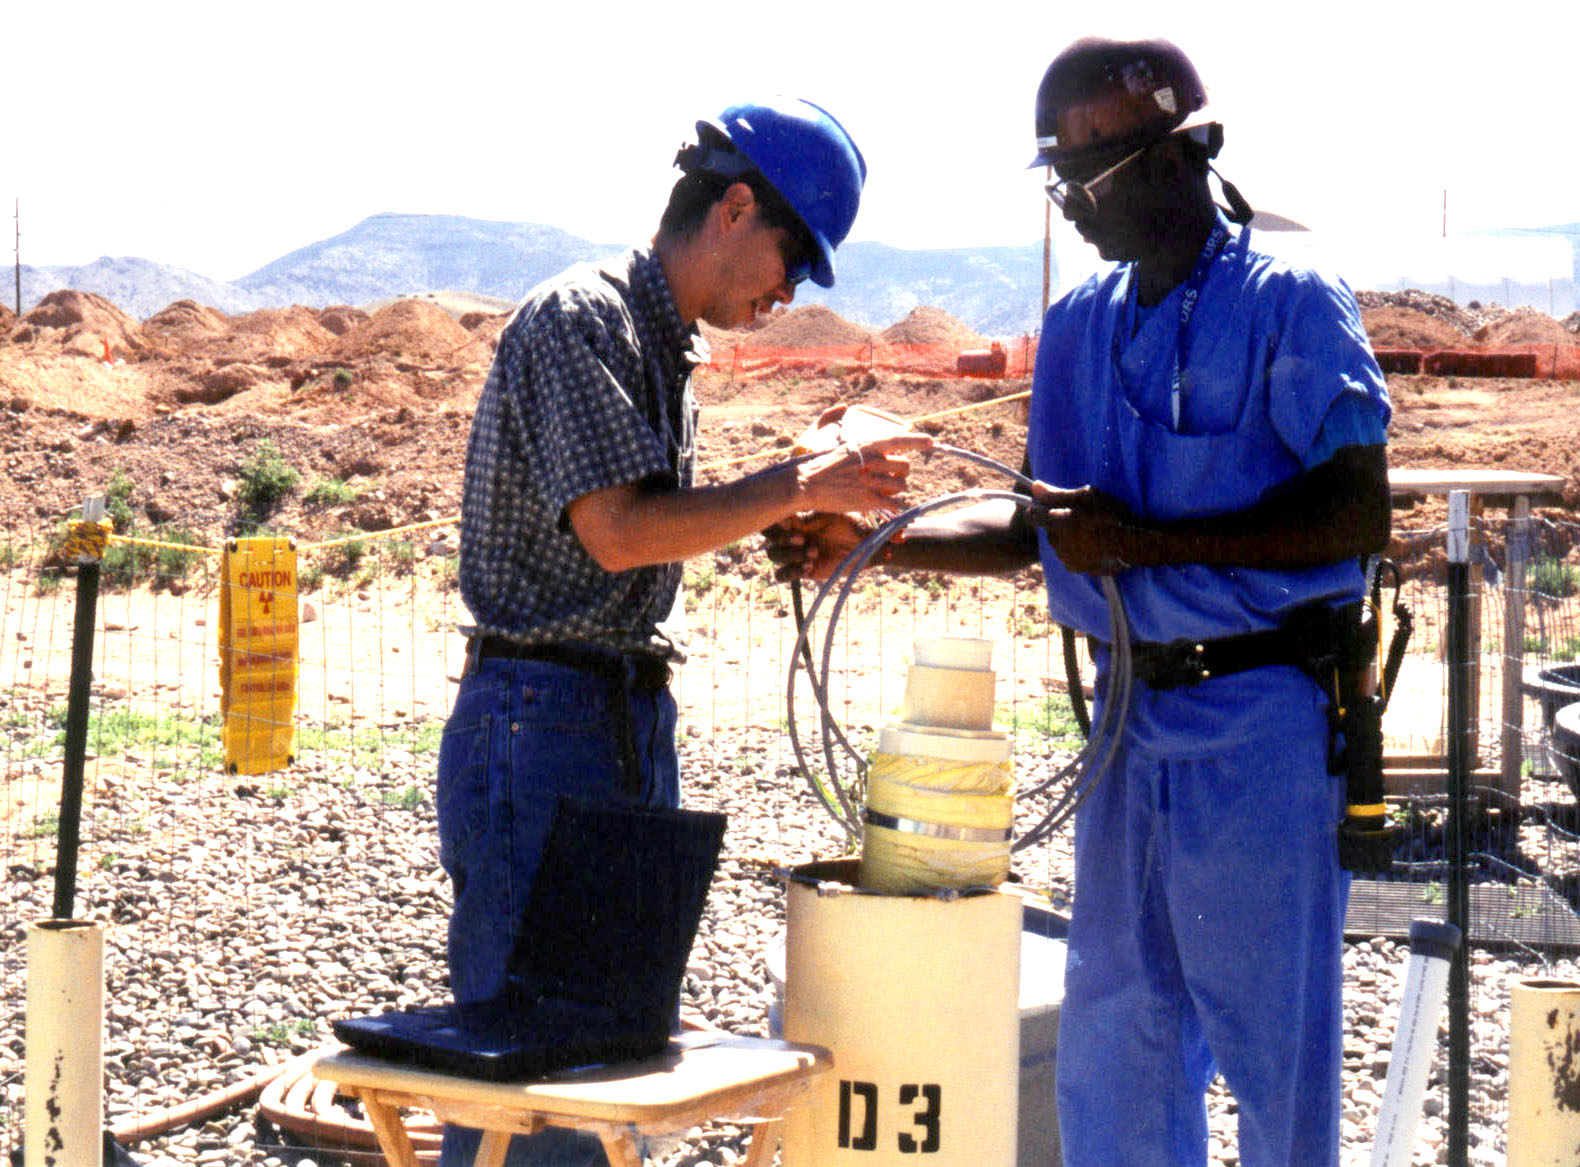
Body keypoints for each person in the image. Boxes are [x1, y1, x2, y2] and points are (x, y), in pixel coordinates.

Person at [766, 37, 1391, 1167]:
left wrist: (1142, 540)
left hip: (1258, 728)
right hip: (1124, 731)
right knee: (1119, 1049)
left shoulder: (1289, 302)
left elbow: (1354, 512)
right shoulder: (1081, 326)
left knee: (1269, 1053)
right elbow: (1033, 530)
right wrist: (869, 548)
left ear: (1180, 155)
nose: (1072, 208)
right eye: (1056, 181)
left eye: (1085, 181)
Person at [438, 97, 929, 1167]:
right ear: (735, 207)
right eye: (790, 258)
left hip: (605, 716)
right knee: (533, 1078)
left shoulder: (659, 346)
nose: (785, 293)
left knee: (604, 1062)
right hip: (542, 719)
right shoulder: (584, 320)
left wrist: (788, 514)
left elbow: (650, 531)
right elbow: (617, 533)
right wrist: (797, 479)